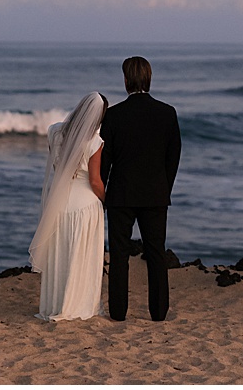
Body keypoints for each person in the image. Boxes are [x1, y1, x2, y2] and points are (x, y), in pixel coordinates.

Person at [100, 55, 181, 322]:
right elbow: (173, 157)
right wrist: (163, 187)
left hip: (121, 194)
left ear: (126, 80)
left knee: (120, 255)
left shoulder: (113, 115)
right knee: (156, 253)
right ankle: (158, 312)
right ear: (149, 79)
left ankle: (118, 312)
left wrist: (101, 192)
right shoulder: (167, 113)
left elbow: (105, 159)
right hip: (156, 193)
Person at [28, 91, 108, 320]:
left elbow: (58, 169)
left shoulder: (54, 132)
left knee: (59, 255)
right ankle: (78, 305)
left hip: (60, 203)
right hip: (85, 206)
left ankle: (54, 304)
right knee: (79, 258)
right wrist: (107, 199)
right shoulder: (94, 141)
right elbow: (95, 181)